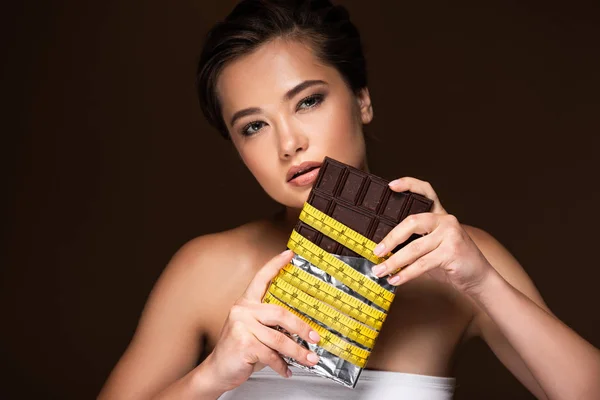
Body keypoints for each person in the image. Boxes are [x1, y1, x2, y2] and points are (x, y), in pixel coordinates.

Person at [98, 1, 600, 399]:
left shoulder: (463, 263)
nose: (288, 143)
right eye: (253, 126)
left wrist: (484, 283)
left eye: (308, 101)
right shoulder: (205, 269)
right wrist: (210, 377)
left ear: (362, 99)